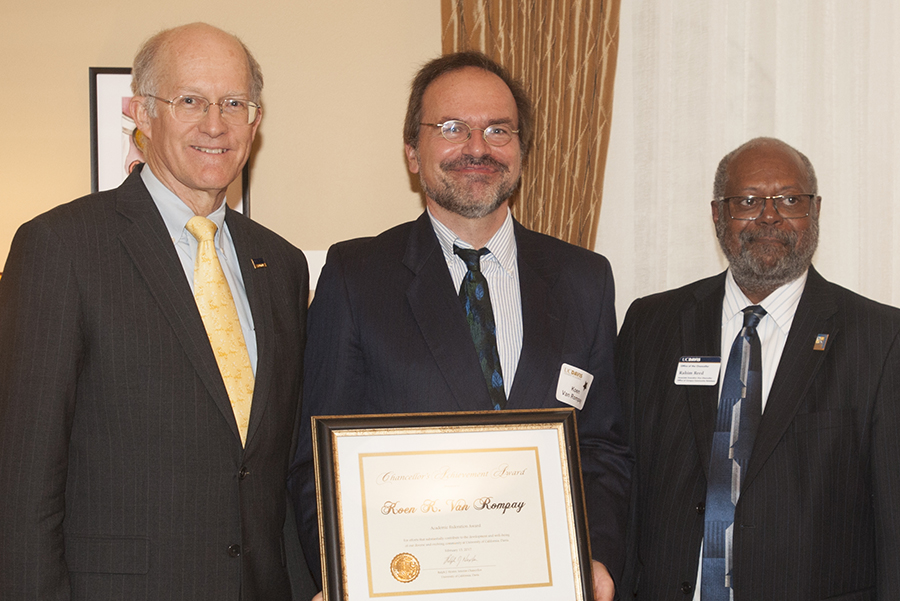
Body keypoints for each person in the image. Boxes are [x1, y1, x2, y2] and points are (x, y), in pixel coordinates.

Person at [288, 51, 631, 601]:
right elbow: (316, 461)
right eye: (452, 128)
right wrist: (344, 575)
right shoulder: (356, 276)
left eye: (499, 130)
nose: (478, 148)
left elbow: (602, 447)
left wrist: (594, 557)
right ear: (412, 153)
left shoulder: (584, 279)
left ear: (521, 151)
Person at [0, 23, 309, 601]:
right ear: (141, 112)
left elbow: (273, 470)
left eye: (234, 103)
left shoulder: (283, 266)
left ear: (255, 121)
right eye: (189, 100)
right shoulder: (61, 248)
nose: (214, 124)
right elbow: (21, 483)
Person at [617, 137, 900, 599]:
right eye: (748, 201)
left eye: (790, 199)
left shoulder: (882, 339)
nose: (769, 216)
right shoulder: (651, 324)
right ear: (717, 214)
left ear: (816, 210)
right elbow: (623, 478)